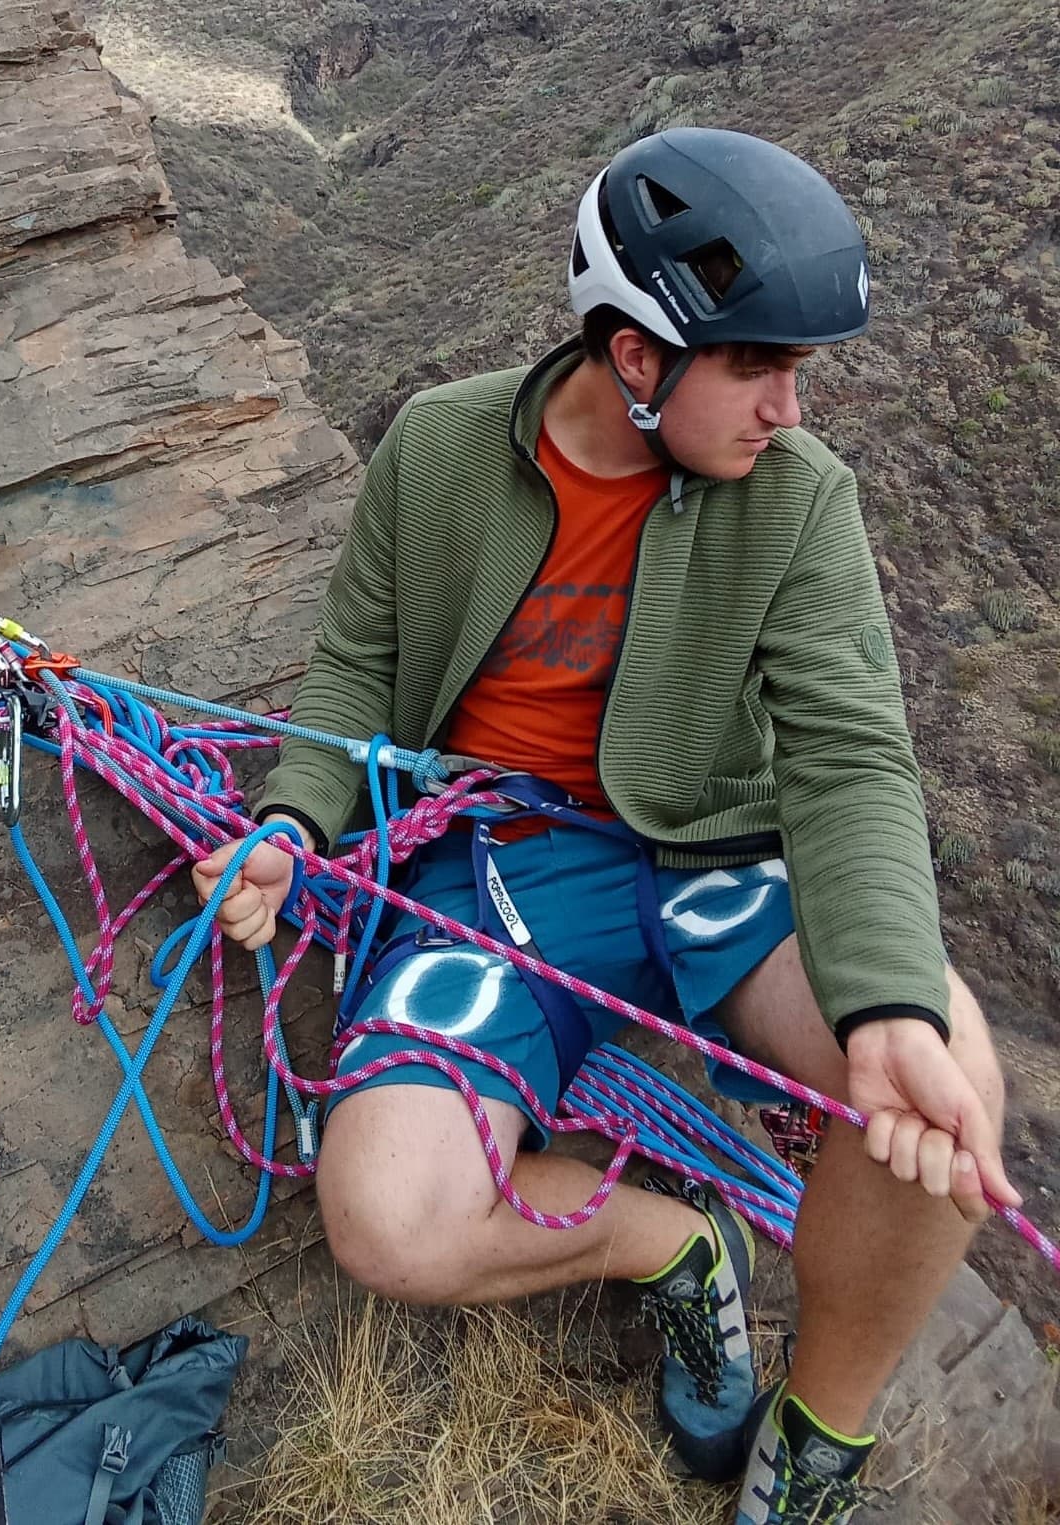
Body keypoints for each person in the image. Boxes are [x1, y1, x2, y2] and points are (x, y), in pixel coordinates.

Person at [192, 127, 1017, 1525]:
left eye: (800, 369)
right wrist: (293, 821)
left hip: (719, 854)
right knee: (389, 1218)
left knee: (947, 1078)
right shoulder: (440, 448)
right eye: (757, 364)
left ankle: (814, 1437)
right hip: (506, 870)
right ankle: (674, 1248)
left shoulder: (801, 503)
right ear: (637, 356)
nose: (791, 410)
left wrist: (882, 1005)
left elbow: (851, 757)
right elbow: (352, 669)